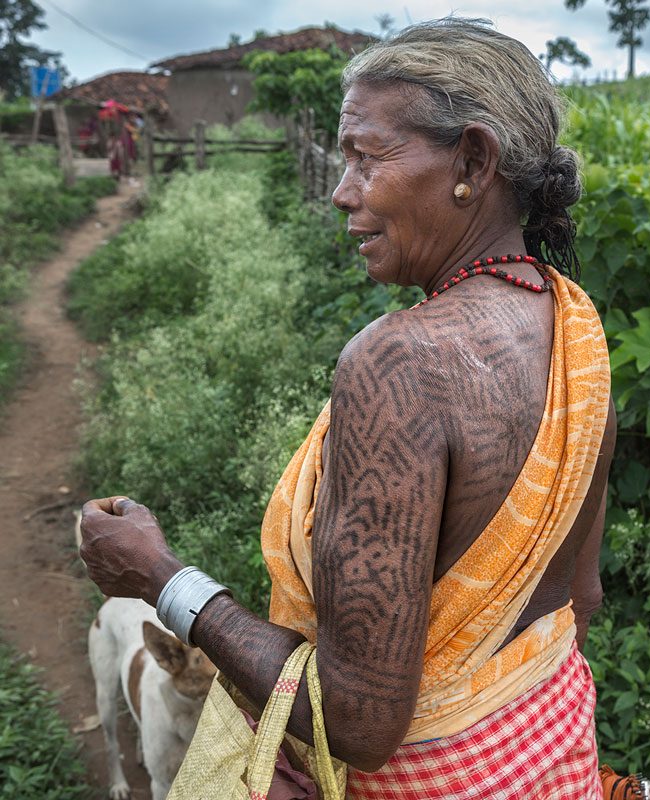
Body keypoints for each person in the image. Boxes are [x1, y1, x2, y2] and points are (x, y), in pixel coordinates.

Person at [80, 18, 615, 799]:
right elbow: (582, 598)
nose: (341, 191)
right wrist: (503, 730)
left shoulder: (400, 362)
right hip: (555, 756)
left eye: (367, 156)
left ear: (473, 159)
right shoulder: (575, 325)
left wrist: (162, 577)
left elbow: (359, 726)